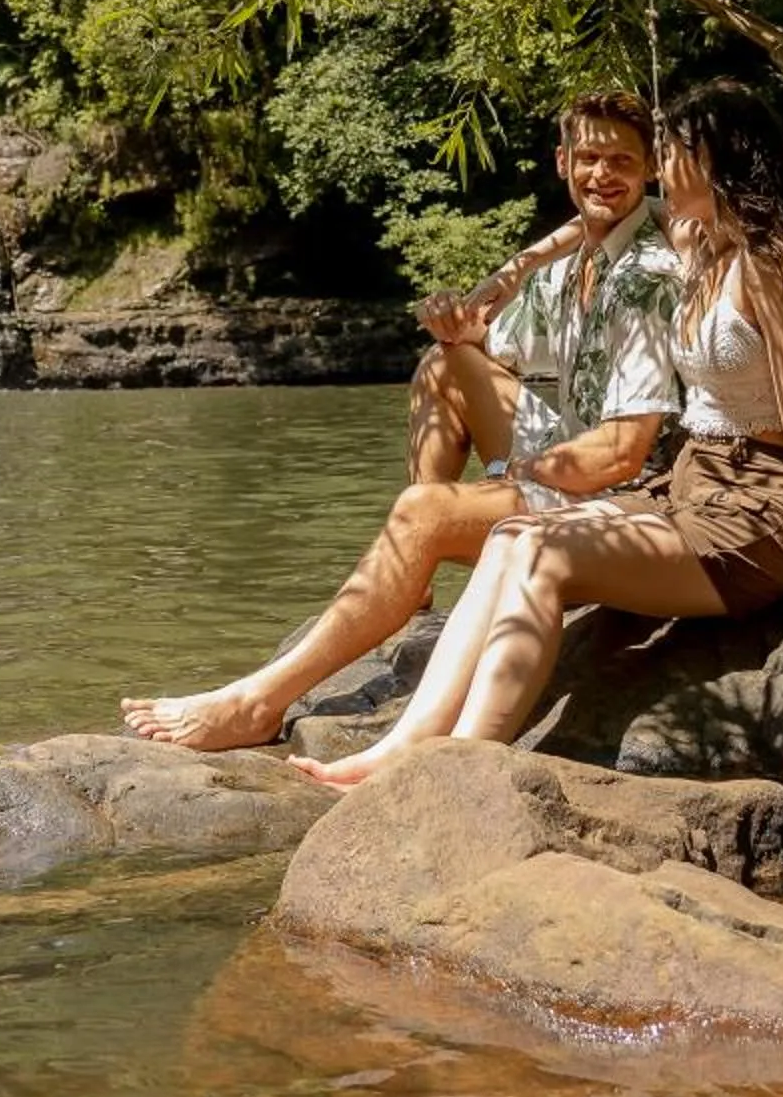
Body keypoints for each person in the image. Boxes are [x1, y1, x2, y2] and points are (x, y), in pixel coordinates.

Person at [291, 79, 783, 787]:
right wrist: (507, 276)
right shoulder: (697, 242)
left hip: (756, 510)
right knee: (512, 537)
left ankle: (460, 766)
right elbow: (584, 227)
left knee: (542, 557)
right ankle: (403, 747)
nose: (658, 167)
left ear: (712, 160)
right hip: (690, 486)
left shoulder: (768, 267)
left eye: (670, 153)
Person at [120, 89, 685, 752]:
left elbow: (621, 455)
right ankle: (409, 592)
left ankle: (259, 701)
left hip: (623, 490)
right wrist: (461, 326)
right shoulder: (572, 263)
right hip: (571, 449)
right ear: (562, 162)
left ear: (649, 170)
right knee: (442, 364)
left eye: (622, 160)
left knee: (422, 513)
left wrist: (508, 474)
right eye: (589, 156)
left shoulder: (651, 271)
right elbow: (492, 349)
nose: (603, 174)